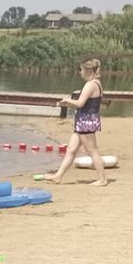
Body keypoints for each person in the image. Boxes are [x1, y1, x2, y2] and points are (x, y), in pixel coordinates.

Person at [45, 58, 107, 186]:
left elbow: (80, 103)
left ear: (88, 70)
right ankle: (58, 176)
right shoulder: (96, 83)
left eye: (81, 69)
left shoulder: (90, 85)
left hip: (86, 122)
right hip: (83, 121)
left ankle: (102, 180)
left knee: (92, 151)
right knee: (71, 150)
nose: (80, 72)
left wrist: (67, 101)